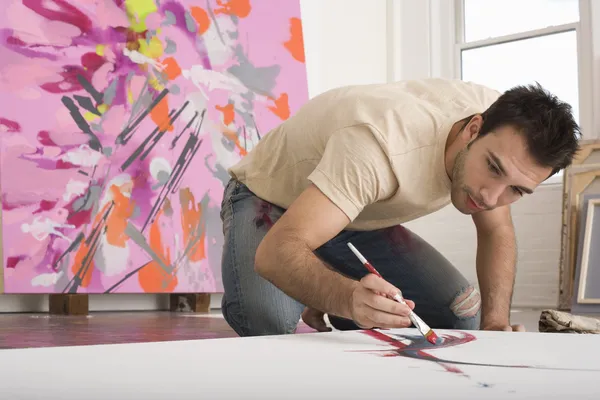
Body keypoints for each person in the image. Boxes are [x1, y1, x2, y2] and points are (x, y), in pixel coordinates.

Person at [219, 78, 580, 337]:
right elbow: (274, 254)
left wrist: (496, 324)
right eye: (493, 169)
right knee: (268, 322)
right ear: (473, 129)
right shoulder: (379, 145)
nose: (490, 198)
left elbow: (497, 229)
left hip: (358, 216)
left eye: (516, 189)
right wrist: (345, 296)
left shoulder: (508, 134)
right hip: (271, 198)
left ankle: (326, 292)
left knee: (460, 316)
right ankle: (324, 287)